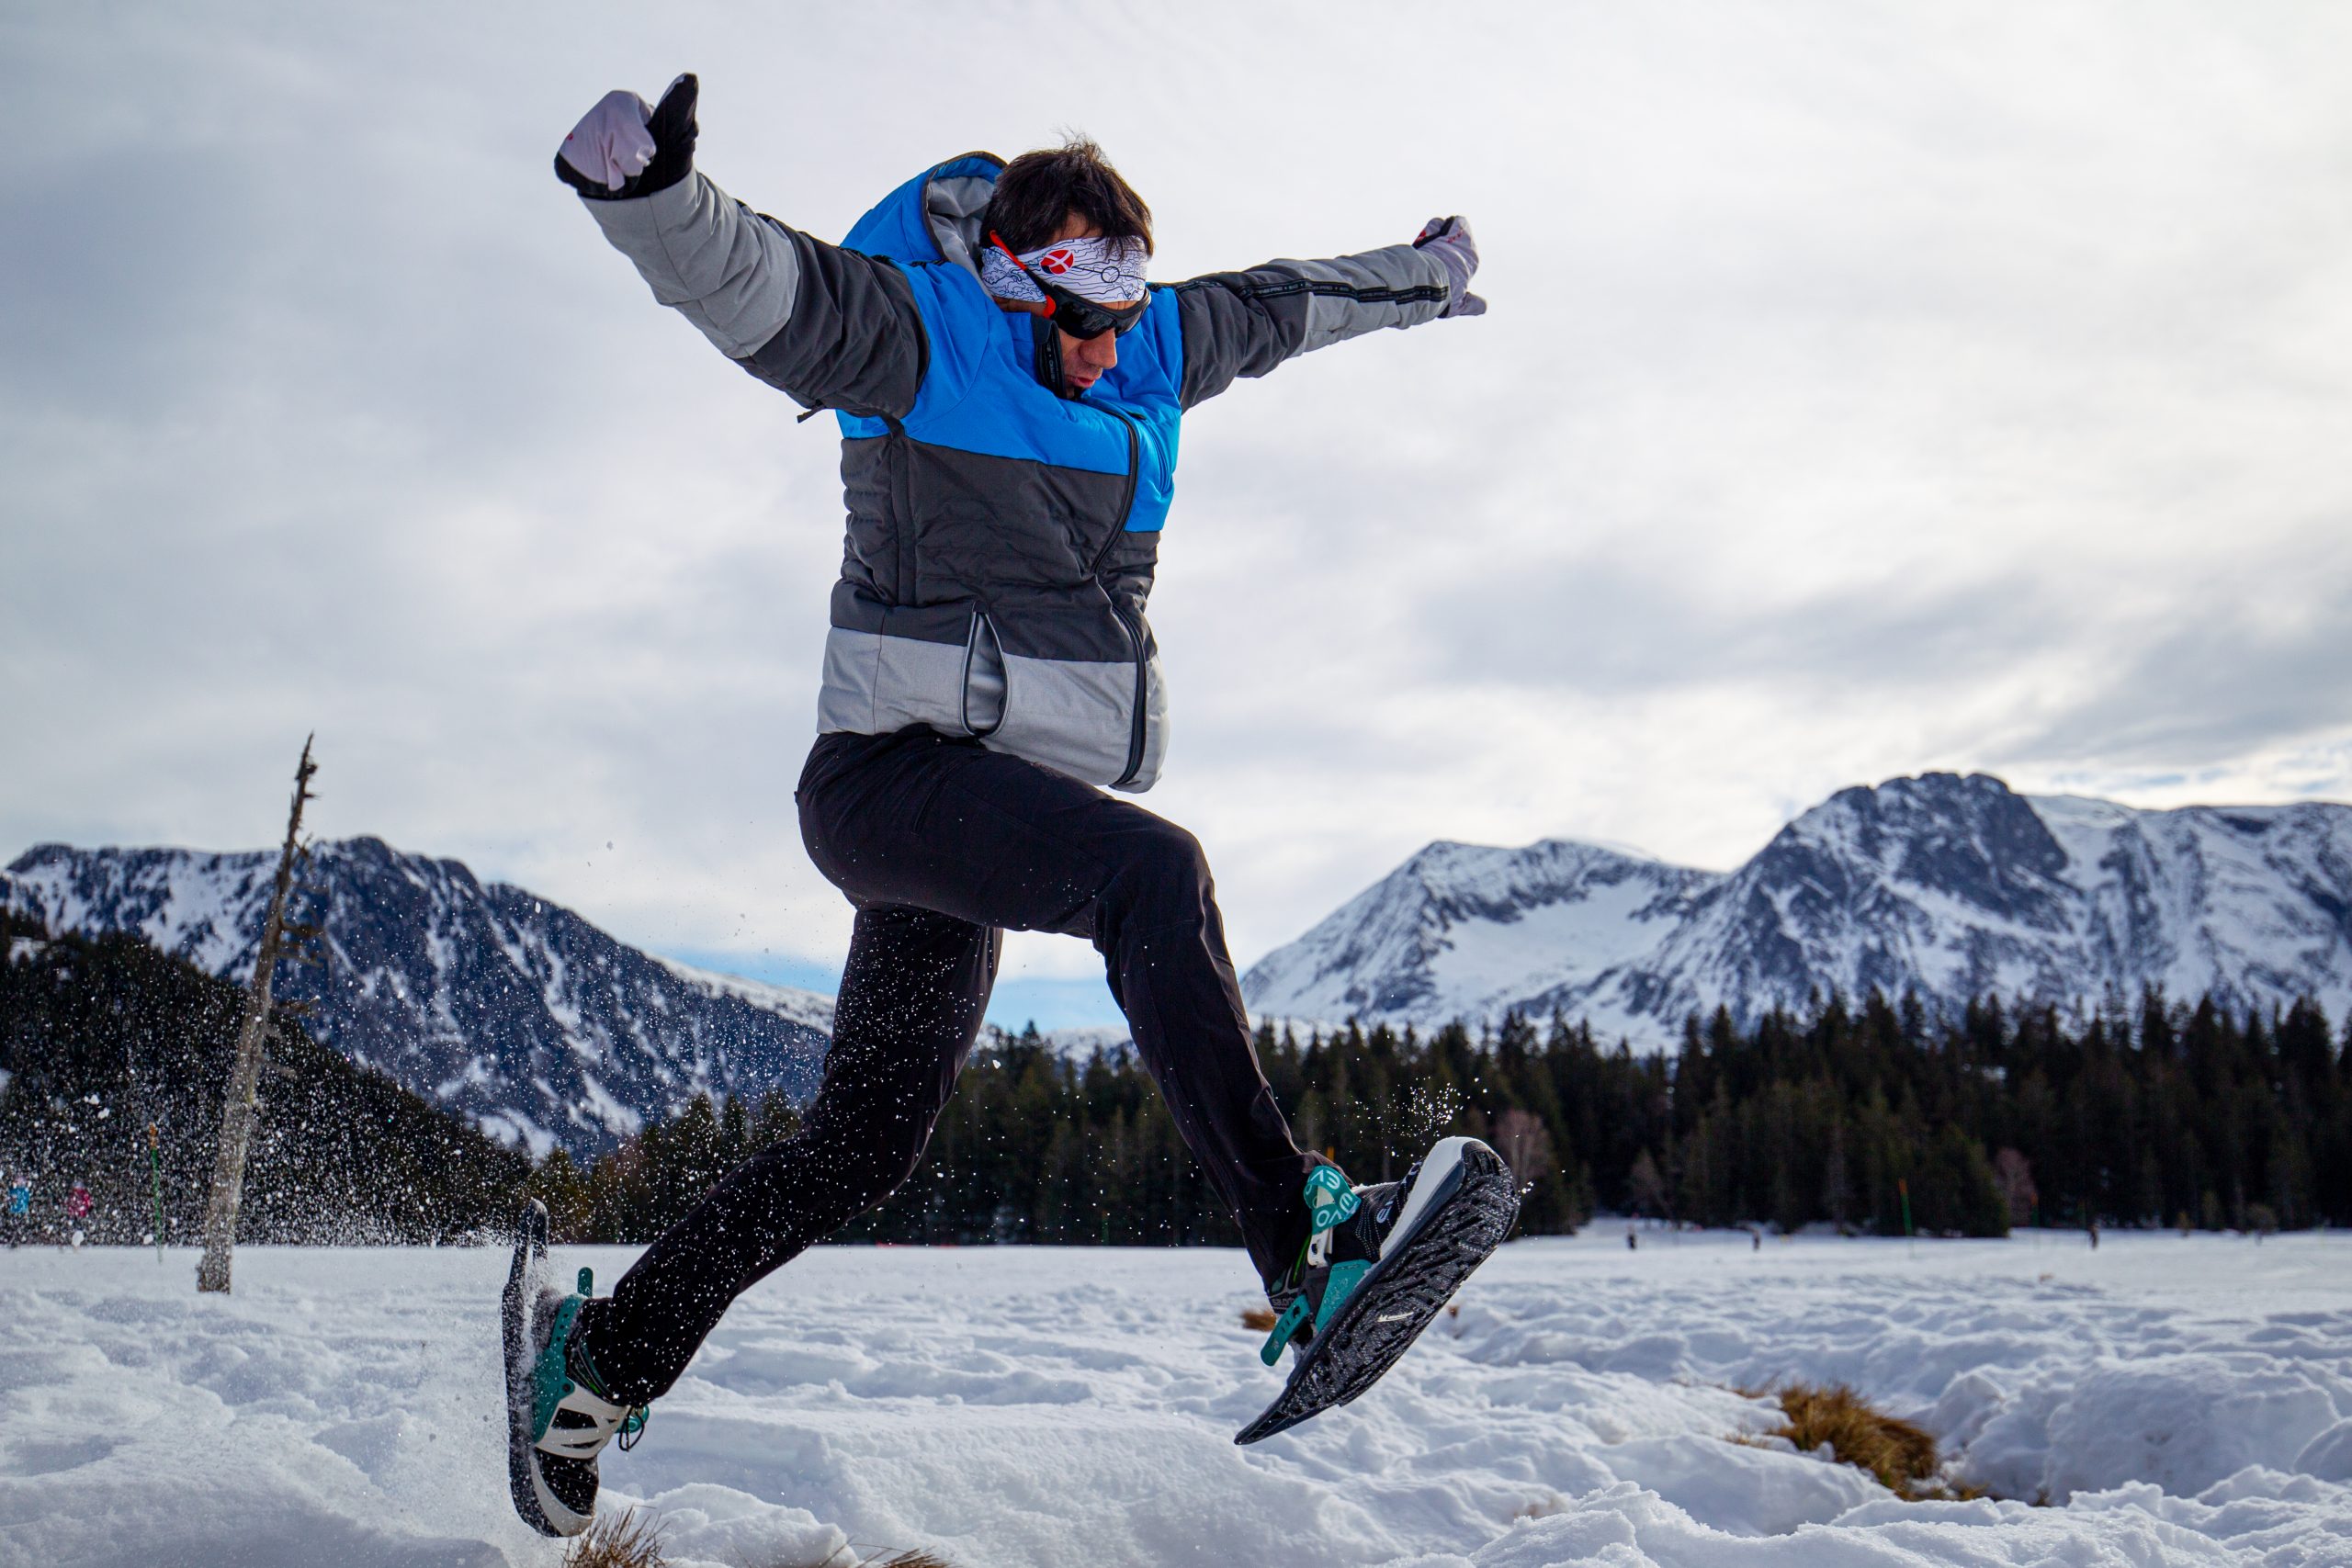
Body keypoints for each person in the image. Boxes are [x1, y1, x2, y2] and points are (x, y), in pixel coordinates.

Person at [514, 74, 1508, 1537]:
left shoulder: (1153, 344)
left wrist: (1425, 277)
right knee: (1153, 878)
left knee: (863, 1146)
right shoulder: (922, 339)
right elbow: (759, 284)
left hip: (986, 812)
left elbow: (1291, 301)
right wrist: (650, 198)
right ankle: (1307, 1251)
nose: (1112, 353)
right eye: (1085, 322)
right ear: (1018, 284)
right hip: (885, 785)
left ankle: (591, 1371)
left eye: (1127, 316)